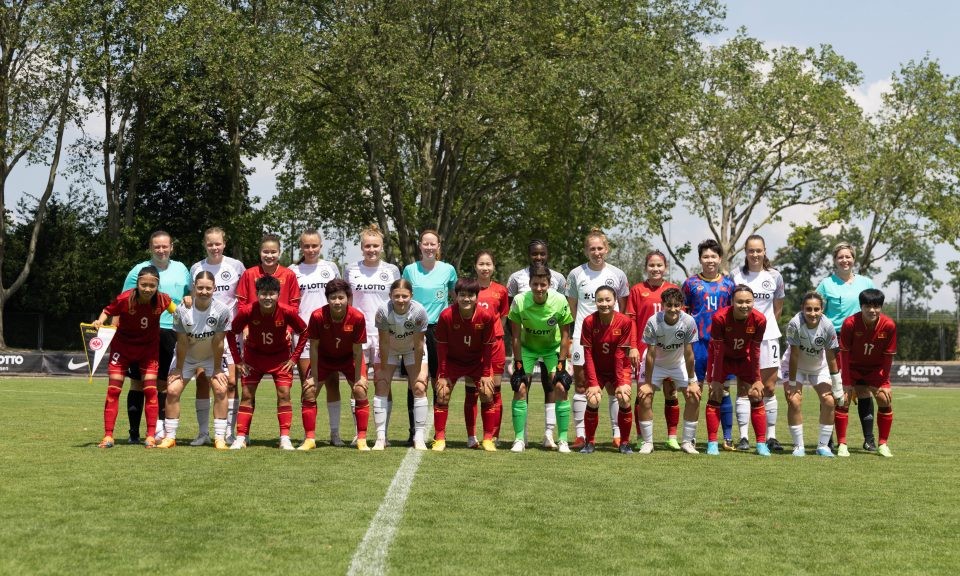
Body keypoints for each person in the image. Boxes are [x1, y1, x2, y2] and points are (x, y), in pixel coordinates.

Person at [93, 266, 176, 448]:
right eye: (143, 284)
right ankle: (108, 436)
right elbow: (107, 311)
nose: (147, 289)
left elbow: (178, 313)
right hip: (122, 349)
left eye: (151, 285)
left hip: (148, 351)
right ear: (137, 283)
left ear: (157, 285)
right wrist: (100, 321)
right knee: (113, 390)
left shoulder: (163, 299)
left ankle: (150, 436)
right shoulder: (125, 298)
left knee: (150, 390)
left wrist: (188, 305)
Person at [122, 231, 192, 444]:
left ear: (172, 247)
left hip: (172, 332)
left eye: (165, 246)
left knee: (163, 384)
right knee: (137, 384)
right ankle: (134, 433)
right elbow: (124, 301)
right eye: (157, 247)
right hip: (143, 333)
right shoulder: (138, 271)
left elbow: (191, 296)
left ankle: (159, 431)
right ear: (150, 248)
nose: (161, 250)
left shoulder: (182, 269)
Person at [226, 275, 308, 450]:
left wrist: (294, 358)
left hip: (280, 359)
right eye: (263, 293)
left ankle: (285, 438)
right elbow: (231, 333)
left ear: (278, 294)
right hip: (253, 358)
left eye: (272, 293)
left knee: (284, 394)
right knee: (247, 395)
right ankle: (241, 437)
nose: (267, 297)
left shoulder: (287, 311)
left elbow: (305, 332)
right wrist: (238, 360)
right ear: (257, 294)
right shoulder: (248, 311)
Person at [566, 228, 629, 449]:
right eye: (592, 249)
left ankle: (617, 434)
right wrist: (582, 331)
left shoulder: (618, 274)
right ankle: (581, 435)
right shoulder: (576, 274)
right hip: (583, 337)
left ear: (607, 249)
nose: (596, 252)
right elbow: (572, 308)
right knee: (582, 386)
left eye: (600, 248)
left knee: (614, 386)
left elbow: (624, 307)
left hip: (613, 338)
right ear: (586, 251)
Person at [157, 272, 232, 449]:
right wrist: (178, 369)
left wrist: (217, 368)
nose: (204, 291)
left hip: (211, 356)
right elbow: (182, 342)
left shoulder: (222, 310)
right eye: (200, 288)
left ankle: (219, 438)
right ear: (193, 288)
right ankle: (170, 437)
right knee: (173, 390)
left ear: (214, 289)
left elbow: (219, 341)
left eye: (208, 288)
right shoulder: (182, 310)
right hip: (187, 356)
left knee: (221, 390)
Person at [344, 224, 402, 446]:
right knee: (358, 384)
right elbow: (346, 302)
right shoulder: (351, 269)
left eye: (375, 246)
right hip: (358, 335)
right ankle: (359, 432)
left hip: (384, 335)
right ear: (361, 247)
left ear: (382, 247)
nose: (371, 250)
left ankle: (382, 433)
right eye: (367, 246)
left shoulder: (392, 270)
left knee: (382, 383)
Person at [505, 239, 567, 448]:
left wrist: (562, 362)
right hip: (527, 344)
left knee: (555, 384)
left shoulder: (559, 280)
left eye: (542, 253)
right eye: (534, 254)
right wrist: (518, 361)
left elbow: (563, 319)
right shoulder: (516, 279)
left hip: (551, 344)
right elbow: (512, 320)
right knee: (522, 385)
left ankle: (551, 434)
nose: (538, 257)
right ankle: (521, 437)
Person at [816, 242, 877, 452]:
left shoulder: (866, 282)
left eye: (848, 256)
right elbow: (815, 311)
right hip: (835, 341)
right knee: (833, 390)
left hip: (861, 340)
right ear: (835, 260)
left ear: (854, 259)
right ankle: (828, 438)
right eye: (840, 257)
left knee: (863, 388)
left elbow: (874, 309)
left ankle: (869, 439)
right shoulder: (825, 284)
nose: (845, 260)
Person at [189, 226, 245, 445]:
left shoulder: (236, 266)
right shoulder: (196, 268)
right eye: (210, 244)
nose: (214, 247)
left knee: (231, 382)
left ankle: (229, 432)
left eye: (218, 243)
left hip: (230, 333)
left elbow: (243, 297)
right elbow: (191, 298)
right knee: (203, 380)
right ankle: (203, 433)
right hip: (203, 334)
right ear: (205, 244)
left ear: (224, 243)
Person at [290, 229, 346, 446]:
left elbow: (341, 298)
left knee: (333, 383)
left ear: (321, 246)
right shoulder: (293, 270)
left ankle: (335, 434)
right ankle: (309, 436)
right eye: (306, 246)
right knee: (309, 385)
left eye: (314, 246)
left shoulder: (330, 267)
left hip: (330, 334)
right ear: (301, 247)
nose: (310, 250)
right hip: (304, 335)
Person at [401, 230, 457, 445]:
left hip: (438, 332)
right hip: (414, 330)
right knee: (414, 382)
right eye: (426, 243)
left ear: (439, 246)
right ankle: (413, 430)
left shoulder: (448, 270)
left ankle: (438, 433)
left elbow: (455, 298)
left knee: (437, 380)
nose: (429, 247)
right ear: (420, 246)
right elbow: (403, 298)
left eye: (433, 243)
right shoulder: (409, 270)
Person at [301, 279, 370, 451]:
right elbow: (314, 347)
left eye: (341, 297)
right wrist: (314, 378)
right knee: (309, 390)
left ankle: (361, 438)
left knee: (360, 389)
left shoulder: (357, 317)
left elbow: (357, 350)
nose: (337, 302)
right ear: (327, 299)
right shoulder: (317, 316)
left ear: (348, 298)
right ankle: (310, 439)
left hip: (349, 358)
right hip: (324, 358)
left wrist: (358, 379)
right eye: (333, 298)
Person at [732, 235, 786, 452]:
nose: (755, 254)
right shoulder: (736, 275)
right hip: (743, 339)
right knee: (744, 388)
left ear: (765, 251)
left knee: (770, 387)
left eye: (759, 250)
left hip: (769, 336)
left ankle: (771, 436)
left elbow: (778, 308)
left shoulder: (775, 276)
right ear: (745, 252)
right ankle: (744, 437)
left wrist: (766, 326)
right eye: (751, 250)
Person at [681, 239, 736, 449]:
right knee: (695, 390)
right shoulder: (690, 284)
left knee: (722, 391)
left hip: (721, 345)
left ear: (720, 258)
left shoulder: (729, 285)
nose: (710, 260)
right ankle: (690, 437)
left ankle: (727, 438)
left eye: (714, 256)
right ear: (700, 259)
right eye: (706, 256)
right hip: (697, 344)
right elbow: (682, 314)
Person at [433, 278, 498, 451]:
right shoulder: (446, 316)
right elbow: (442, 347)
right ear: (456, 296)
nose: (466, 299)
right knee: (442, 393)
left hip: (477, 362)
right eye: (462, 295)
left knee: (487, 392)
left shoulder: (486, 316)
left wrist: (485, 373)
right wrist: (443, 374)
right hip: (453, 362)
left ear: (477, 297)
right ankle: (439, 438)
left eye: (470, 295)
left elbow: (487, 347)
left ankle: (487, 439)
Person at [704, 285, 769, 456]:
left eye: (748, 301)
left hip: (743, 358)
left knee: (755, 394)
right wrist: (715, 379)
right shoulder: (720, 318)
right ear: (732, 302)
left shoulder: (760, 320)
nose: (744, 305)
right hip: (722, 359)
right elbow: (717, 351)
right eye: (740, 302)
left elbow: (755, 351)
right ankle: (712, 443)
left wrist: (757, 378)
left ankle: (761, 444)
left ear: (753, 302)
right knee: (715, 394)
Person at [626, 250, 681, 449]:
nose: (655, 269)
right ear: (646, 268)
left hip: (670, 351)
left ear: (665, 267)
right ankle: (642, 436)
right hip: (644, 350)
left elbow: (681, 322)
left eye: (659, 265)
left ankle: (672, 436)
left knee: (671, 391)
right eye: (651, 265)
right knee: (643, 393)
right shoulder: (637, 290)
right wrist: (632, 346)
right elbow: (631, 321)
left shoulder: (674, 289)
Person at [836, 288, 897, 457]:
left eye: (876, 306)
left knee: (884, 398)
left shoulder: (889, 325)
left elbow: (887, 357)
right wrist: (847, 383)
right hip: (852, 368)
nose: (872, 310)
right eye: (867, 306)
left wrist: (885, 382)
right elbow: (844, 354)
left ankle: (883, 444)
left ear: (881, 307)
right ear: (861, 306)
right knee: (843, 399)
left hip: (874, 370)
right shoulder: (850, 323)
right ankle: (842, 443)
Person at [781, 292, 843, 457]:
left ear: (822, 309)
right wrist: (792, 384)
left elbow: (831, 358)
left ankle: (823, 446)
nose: (813, 313)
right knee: (794, 401)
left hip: (818, 368)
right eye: (808, 309)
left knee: (829, 401)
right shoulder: (795, 324)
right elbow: (794, 355)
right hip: (795, 367)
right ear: (802, 309)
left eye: (816, 309)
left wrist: (838, 386)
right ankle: (798, 446)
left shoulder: (828, 326)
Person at [639, 288, 700, 454]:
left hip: (677, 363)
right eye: (669, 305)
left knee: (694, 395)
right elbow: (650, 354)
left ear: (682, 306)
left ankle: (687, 442)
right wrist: (648, 383)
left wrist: (692, 381)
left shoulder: (688, 322)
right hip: (655, 363)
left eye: (676, 305)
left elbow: (689, 354)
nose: (673, 309)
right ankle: (647, 443)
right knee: (645, 397)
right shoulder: (653, 321)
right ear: (662, 305)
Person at [375, 279, 430, 450]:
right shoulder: (383, 311)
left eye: (404, 296)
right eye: (396, 296)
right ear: (390, 295)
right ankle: (381, 437)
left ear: (411, 296)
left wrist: (420, 371)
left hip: (413, 349)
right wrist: (383, 370)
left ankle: (418, 436)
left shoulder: (419, 311)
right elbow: (383, 342)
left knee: (420, 387)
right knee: (381, 385)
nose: (400, 300)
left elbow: (419, 344)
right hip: (389, 348)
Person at [579, 286, 634, 454]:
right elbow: (587, 354)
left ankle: (624, 443)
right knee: (593, 399)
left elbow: (619, 355)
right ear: (595, 302)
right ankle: (590, 443)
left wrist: (621, 382)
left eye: (608, 300)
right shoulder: (588, 321)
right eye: (600, 300)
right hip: (597, 368)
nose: (604, 304)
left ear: (615, 300)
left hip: (620, 367)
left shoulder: (624, 321)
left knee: (624, 397)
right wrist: (593, 383)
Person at [473, 250, 508, 448]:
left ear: (493, 267)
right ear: (475, 267)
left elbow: (502, 316)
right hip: (475, 347)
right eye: (481, 264)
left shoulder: (501, 291)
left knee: (495, 389)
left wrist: (495, 334)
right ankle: (473, 435)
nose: (485, 268)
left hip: (495, 344)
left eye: (488, 264)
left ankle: (493, 434)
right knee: (475, 390)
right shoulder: (470, 288)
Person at [236, 233, 301, 309]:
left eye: (273, 252)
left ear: (279, 252)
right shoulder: (249, 274)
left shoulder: (289, 275)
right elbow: (241, 304)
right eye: (265, 252)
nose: (269, 256)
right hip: (254, 320)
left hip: (282, 320)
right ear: (260, 252)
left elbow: (294, 305)